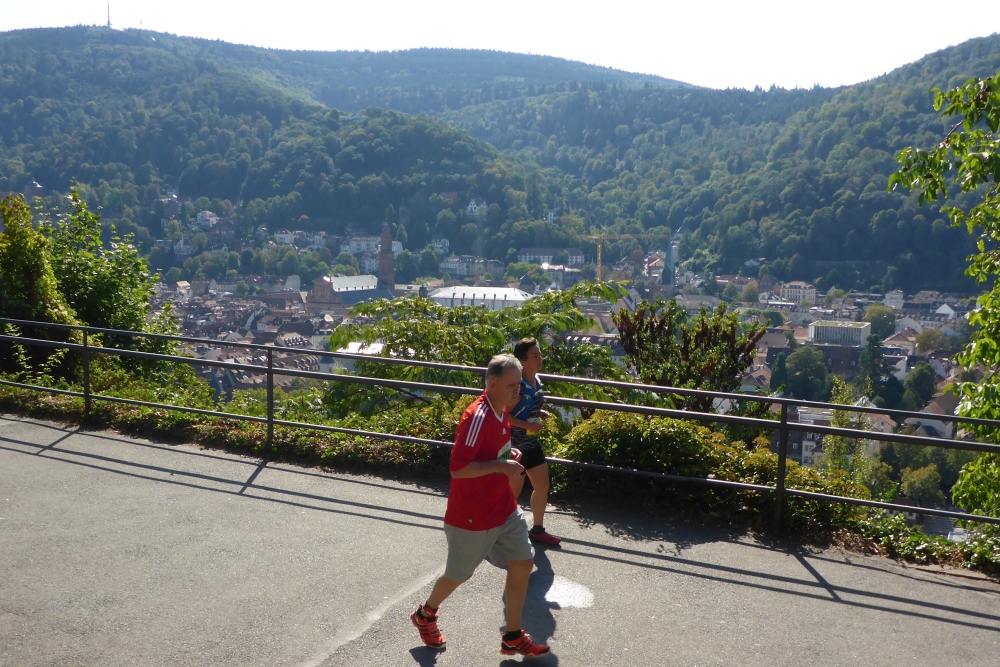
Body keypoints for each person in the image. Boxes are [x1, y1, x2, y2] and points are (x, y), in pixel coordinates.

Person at [411, 353, 550, 658]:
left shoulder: (501, 411)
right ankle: (425, 614)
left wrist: (507, 455)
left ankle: (512, 636)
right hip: (472, 515)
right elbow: (458, 469)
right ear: (492, 384)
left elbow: (490, 453)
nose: (518, 391)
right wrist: (501, 465)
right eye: (512, 385)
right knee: (458, 575)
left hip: (503, 507)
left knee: (523, 563)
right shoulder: (477, 417)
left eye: (519, 385)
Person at [508, 338, 561, 546]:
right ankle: (495, 530)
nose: (540, 359)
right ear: (522, 361)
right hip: (515, 446)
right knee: (512, 494)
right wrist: (527, 424)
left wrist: (539, 412)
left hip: (531, 442)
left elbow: (527, 406)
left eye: (540, 354)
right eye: (535, 355)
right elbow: (503, 415)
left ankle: (537, 530)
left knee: (543, 485)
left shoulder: (536, 380)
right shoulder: (517, 385)